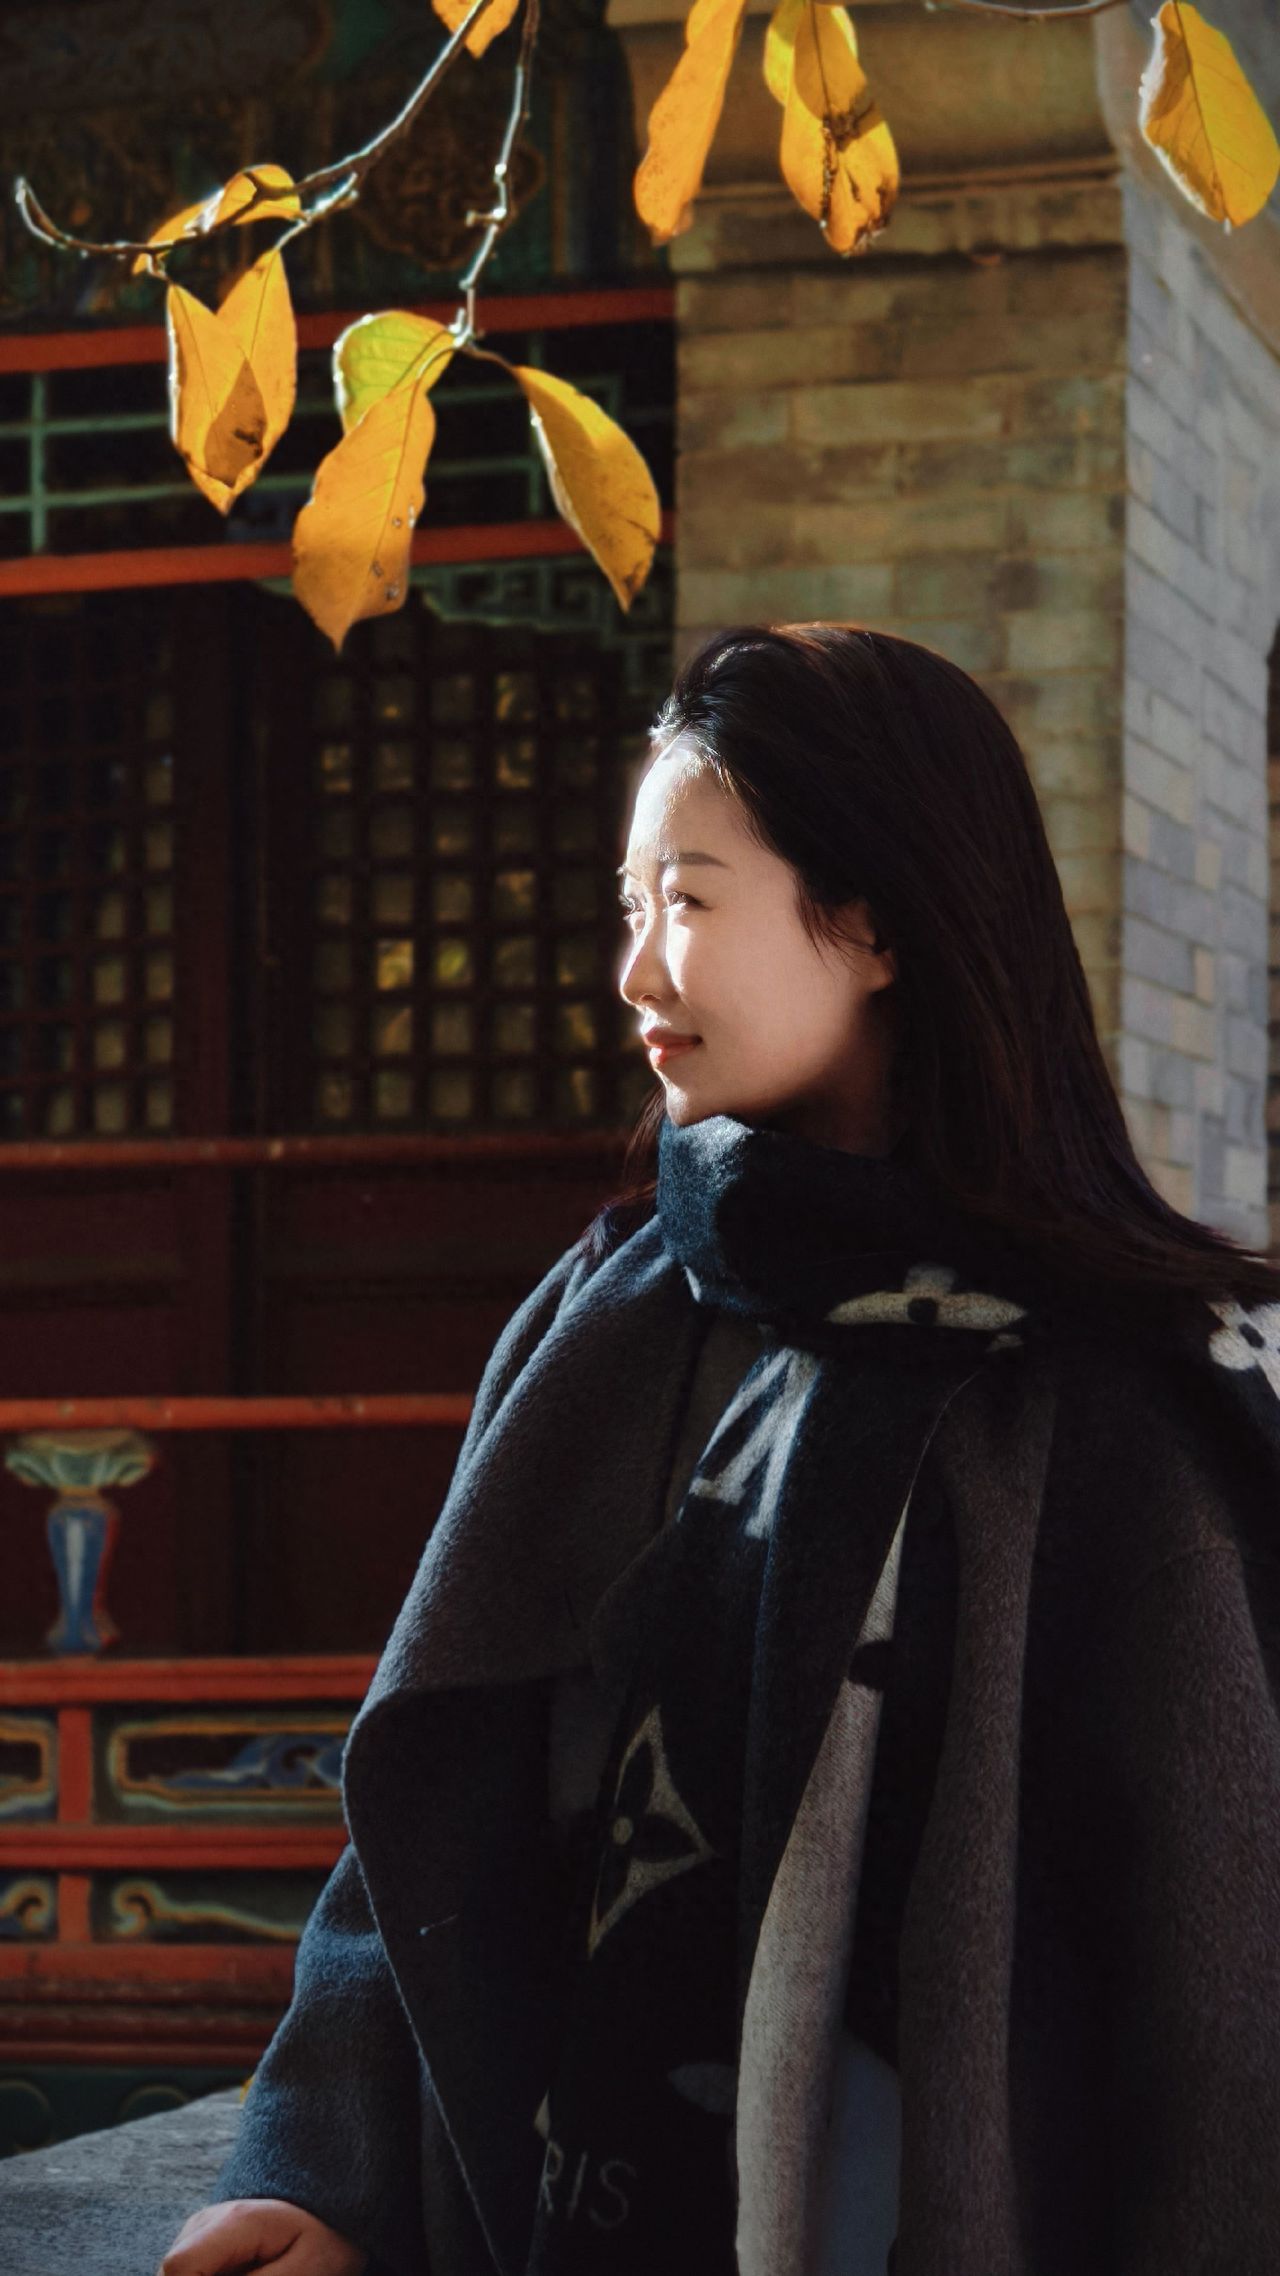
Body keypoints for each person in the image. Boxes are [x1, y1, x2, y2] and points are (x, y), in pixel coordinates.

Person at [159, 623, 1280, 2276]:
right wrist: (320, 2176)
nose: (635, 975)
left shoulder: (1115, 1387)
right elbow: (436, 1803)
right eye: (633, 912)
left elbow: (1221, 1971)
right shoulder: (605, 1320)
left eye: (687, 902)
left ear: (883, 916)